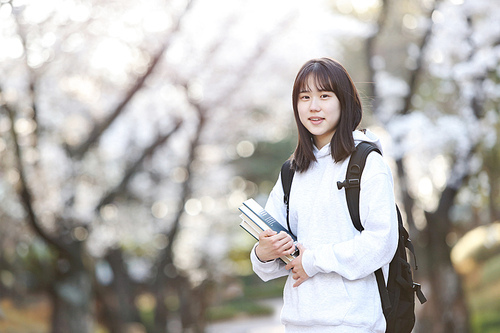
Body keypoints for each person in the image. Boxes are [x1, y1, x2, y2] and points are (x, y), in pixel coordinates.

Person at [250, 57, 399, 332]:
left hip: (353, 324)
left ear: (344, 101)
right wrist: (264, 253)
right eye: (304, 96)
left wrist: (313, 261)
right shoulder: (291, 172)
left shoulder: (367, 162)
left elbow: (382, 243)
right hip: (297, 324)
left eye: (324, 95)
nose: (313, 106)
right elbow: (270, 267)